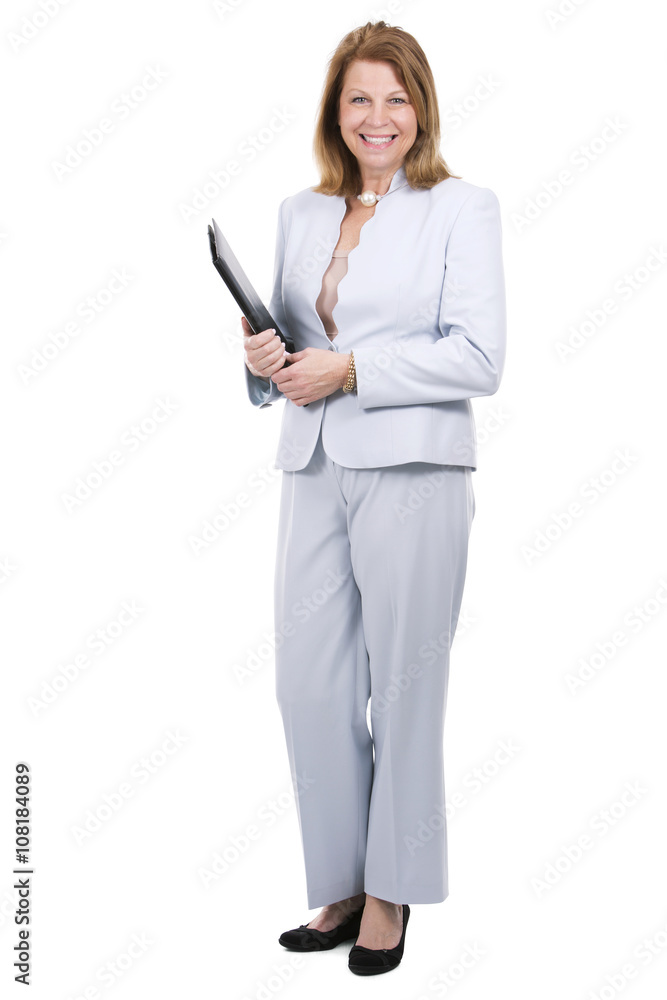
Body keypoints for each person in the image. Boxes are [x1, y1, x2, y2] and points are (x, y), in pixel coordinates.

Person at [241, 20, 506, 976]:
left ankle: (391, 891)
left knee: (403, 686)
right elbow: (290, 352)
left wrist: (351, 370)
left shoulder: (460, 208)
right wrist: (262, 361)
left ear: (421, 109)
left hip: (413, 471)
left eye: (395, 98)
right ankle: (343, 881)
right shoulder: (301, 212)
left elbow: (479, 358)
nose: (376, 116)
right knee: (306, 684)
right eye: (358, 98)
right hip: (312, 464)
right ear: (335, 111)